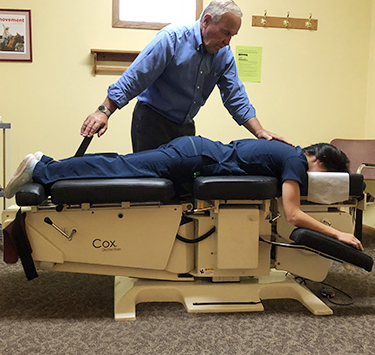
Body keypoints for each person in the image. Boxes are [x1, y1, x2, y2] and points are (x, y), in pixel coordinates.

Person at [5, 136, 363, 251]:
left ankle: (48, 167)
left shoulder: (287, 151)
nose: (320, 180)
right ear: (317, 160)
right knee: (120, 167)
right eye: (325, 174)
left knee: (121, 162)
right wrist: (338, 233)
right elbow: (293, 214)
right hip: (193, 157)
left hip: (195, 153)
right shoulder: (295, 160)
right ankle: (44, 169)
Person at [80, 0, 290, 152]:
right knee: (153, 189)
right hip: (152, 122)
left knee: (181, 191)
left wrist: (259, 131)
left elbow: (235, 97)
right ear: (207, 21)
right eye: (226, 33)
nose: (228, 42)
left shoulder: (224, 55)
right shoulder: (171, 39)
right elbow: (136, 77)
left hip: (185, 126)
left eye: (232, 36)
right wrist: (103, 111)